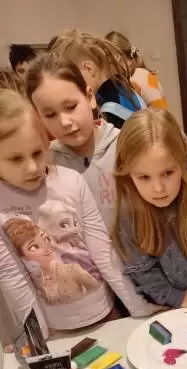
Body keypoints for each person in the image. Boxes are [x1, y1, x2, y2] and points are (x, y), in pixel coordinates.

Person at [0, 89, 155, 336]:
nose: (32, 167)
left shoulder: (71, 181)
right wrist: (40, 340)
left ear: (46, 143)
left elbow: (102, 251)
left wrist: (139, 308)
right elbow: (13, 279)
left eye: (37, 153)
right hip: (55, 329)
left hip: (105, 314)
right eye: (16, 159)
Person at [111, 109, 187, 309]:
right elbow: (142, 271)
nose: (159, 188)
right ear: (128, 175)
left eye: (168, 173)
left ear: (183, 162)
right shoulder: (129, 216)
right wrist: (174, 297)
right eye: (144, 177)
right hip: (164, 307)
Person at [26, 53, 119, 229]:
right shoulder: (44, 164)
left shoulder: (126, 146)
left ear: (90, 97)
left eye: (71, 107)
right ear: (39, 117)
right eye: (50, 114)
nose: (64, 122)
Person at [50, 30, 145, 129]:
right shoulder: (124, 88)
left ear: (88, 68)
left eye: (73, 78)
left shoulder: (109, 110)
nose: (73, 86)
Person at [105, 31, 168, 110]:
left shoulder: (139, 76)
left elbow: (160, 111)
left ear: (118, 58)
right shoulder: (128, 78)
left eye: (109, 61)